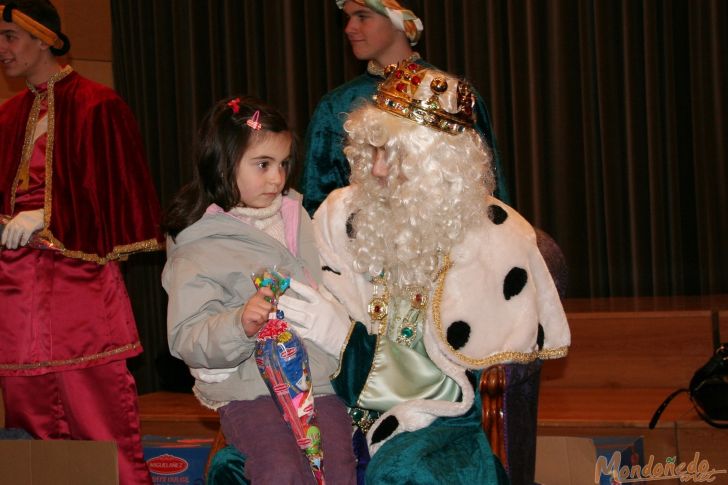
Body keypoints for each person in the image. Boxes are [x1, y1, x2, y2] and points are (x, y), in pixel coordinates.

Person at [298, 61, 571, 483]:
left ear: (442, 164)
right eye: (373, 150)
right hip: (332, 404)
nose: (378, 171)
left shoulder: (496, 236)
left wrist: (341, 340)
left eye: (397, 156)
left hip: (439, 419)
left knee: (405, 473)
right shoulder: (338, 215)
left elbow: (450, 384)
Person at [0, 1, 163, 484]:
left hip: (80, 281)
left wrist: (47, 217)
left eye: (9, 35)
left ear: (44, 37)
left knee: (95, 408)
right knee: (27, 411)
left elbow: (122, 195)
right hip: (15, 289)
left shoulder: (98, 104)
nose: (1, 49)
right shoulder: (8, 115)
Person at [161, 95, 356, 484]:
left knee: (337, 471)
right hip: (250, 390)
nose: (277, 179)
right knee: (279, 471)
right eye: (263, 165)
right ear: (222, 162)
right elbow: (185, 336)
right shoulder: (197, 242)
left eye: (283, 164)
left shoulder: (299, 216)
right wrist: (239, 324)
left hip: (319, 383)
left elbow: (336, 287)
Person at [300, 0, 510, 215]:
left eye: (362, 16)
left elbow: (489, 191)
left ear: (399, 20)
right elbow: (318, 206)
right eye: (349, 18)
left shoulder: (451, 96)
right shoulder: (336, 105)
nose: (349, 28)